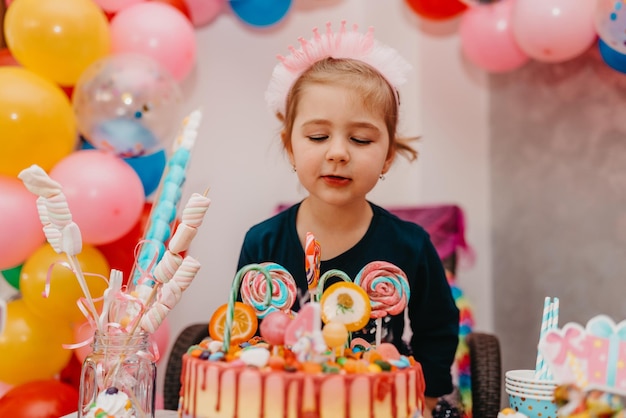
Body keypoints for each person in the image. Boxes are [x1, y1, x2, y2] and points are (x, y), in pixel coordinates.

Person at [237, 21, 460, 417]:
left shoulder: (411, 245)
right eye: (318, 137)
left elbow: (437, 327)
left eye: (360, 139)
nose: (338, 152)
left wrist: (428, 395)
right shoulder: (262, 243)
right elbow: (243, 336)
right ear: (290, 146)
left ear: (388, 155)